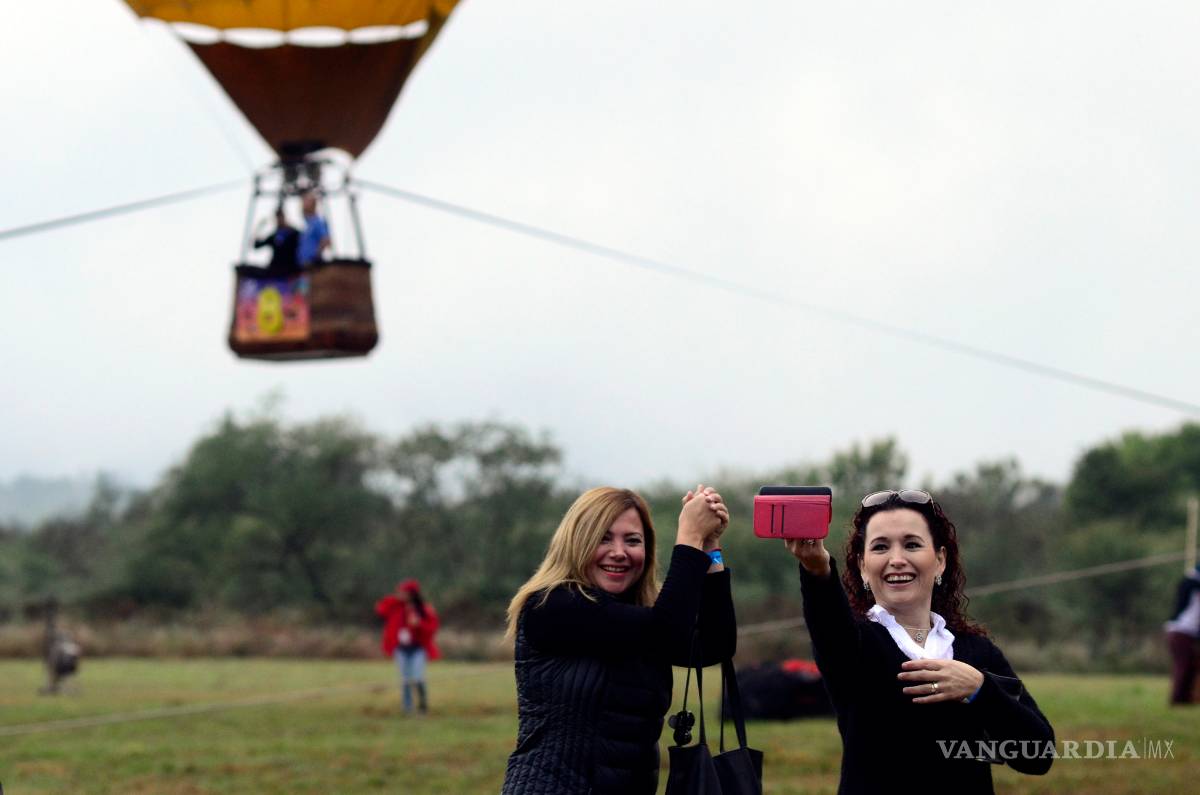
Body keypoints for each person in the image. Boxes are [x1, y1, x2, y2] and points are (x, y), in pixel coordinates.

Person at [787, 489, 1054, 794]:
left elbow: (1038, 755)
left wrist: (981, 690)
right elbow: (828, 622)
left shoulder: (977, 652)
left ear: (940, 560)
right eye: (880, 547)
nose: (897, 559)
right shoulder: (855, 644)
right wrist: (817, 569)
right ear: (862, 566)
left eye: (912, 544)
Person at [501, 485, 736, 795]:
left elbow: (714, 646)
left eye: (633, 540)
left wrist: (709, 549)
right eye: (603, 538)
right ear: (576, 543)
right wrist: (689, 536)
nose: (619, 552)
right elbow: (664, 632)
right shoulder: (552, 606)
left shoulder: (638, 620)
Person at [375, 579, 440, 714]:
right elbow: (380, 609)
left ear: (412, 594)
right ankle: (407, 708)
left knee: (418, 678)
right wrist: (395, 599)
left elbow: (432, 628)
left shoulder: (424, 609)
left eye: (403, 592)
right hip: (401, 649)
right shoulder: (395, 606)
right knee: (405, 680)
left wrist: (419, 624)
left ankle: (422, 705)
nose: (400, 594)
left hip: (418, 649)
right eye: (399, 592)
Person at [1165, 563, 1200, 705]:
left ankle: (1187, 698)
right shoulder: (1190, 584)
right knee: (1183, 665)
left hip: (1185, 631)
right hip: (1181, 630)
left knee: (1192, 664)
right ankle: (1177, 699)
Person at [253, 206, 300, 274]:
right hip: (274, 269)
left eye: (280, 217)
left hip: (289, 269)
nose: (278, 220)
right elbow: (256, 245)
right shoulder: (274, 236)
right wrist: (259, 228)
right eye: (277, 217)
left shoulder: (294, 233)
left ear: (284, 217)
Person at [297, 190, 330, 268]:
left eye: (305, 202)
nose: (302, 205)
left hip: (312, 266)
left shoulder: (317, 222)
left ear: (313, 204)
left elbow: (325, 240)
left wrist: (314, 258)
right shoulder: (308, 224)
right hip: (303, 265)